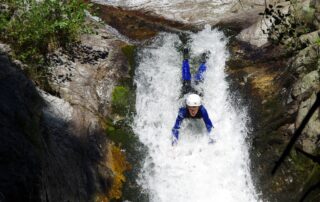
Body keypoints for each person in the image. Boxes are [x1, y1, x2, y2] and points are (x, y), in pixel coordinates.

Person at [171, 48, 214, 146]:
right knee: (186, 79)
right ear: (187, 107)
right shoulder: (183, 111)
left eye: (194, 109)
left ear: (198, 107)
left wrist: (212, 138)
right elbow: (176, 128)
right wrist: (174, 142)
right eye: (191, 109)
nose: (193, 111)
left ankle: (204, 62)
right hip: (188, 94)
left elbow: (209, 125)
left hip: (196, 95)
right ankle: (185, 59)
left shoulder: (202, 110)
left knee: (199, 79)